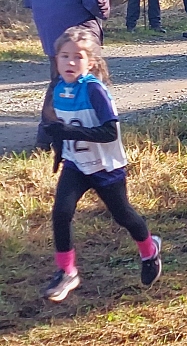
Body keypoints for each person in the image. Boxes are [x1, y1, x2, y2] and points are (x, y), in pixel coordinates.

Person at [40, 26, 162, 302]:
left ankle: (149, 249)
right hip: (76, 165)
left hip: (106, 166)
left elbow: (109, 132)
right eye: (64, 56)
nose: (70, 63)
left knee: (123, 216)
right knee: (60, 213)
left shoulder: (95, 91)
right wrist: (59, 150)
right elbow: (58, 125)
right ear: (56, 59)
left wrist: (69, 134)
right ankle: (67, 271)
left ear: (90, 62)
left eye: (78, 57)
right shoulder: (58, 88)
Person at [23, 0, 110, 151]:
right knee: (91, 82)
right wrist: (104, 14)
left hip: (50, 31)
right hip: (82, 32)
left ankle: (46, 137)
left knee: (59, 81)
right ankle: (92, 137)